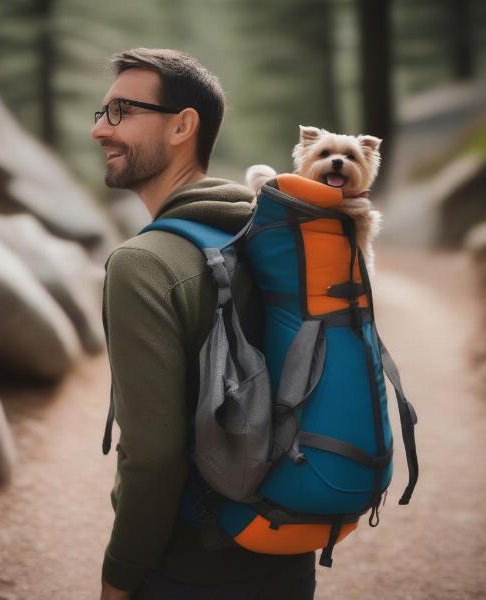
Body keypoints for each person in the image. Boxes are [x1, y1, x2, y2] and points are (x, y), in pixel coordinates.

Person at [91, 48, 316, 600]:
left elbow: (153, 455)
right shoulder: (268, 234)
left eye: (121, 111)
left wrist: (119, 576)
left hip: (193, 569)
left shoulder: (142, 265)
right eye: (99, 113)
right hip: (287, 551)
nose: (100, 129)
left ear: (183, 126)